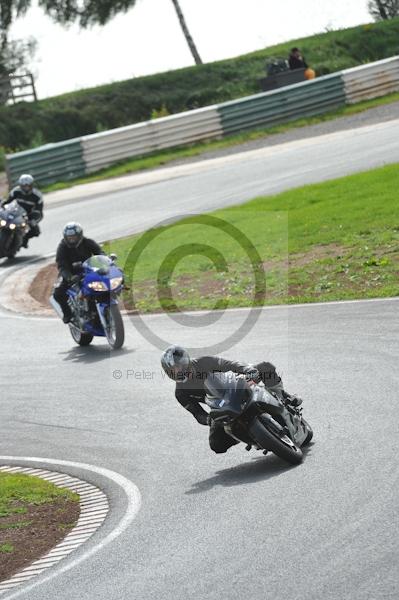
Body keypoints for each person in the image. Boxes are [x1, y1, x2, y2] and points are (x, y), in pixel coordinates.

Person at [161, 345, 302, 454]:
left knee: (265, 367)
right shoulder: (180, 393)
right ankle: (249, 435)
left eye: (179, 366)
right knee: (216, 445)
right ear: (169, 373)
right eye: (173, 370)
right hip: (220, 408)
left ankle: (283, 396)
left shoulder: (204, 362)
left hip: (234, 387)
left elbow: (229, 364)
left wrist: (247, 369)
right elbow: (197, 414)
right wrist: (208, 420)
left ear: (186, 361)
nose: (178, 371)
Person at [53, 222, 104, 323]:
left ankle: (97, 308)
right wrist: (69, 277)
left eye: (74, 237)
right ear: (65, 237)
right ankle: (67, 313)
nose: (72, 239)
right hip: (71, 273)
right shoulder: (62, 247)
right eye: (69, 237)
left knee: (102, 286)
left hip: (89, 271)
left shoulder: (88, 242)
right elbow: (61, 265)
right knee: (58, 293)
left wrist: (104, 263)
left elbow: (100, 253)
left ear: (79, 235)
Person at [1, 174, 43, 248]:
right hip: (14, 212)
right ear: (20, 185)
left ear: (31, 185)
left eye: (28, 186)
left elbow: (39, 211)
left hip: (27, 215)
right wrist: (2, 204)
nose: (26, 188)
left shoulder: (37, 196)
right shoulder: (16, 191)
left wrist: (33, 219)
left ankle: (24, 240)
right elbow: (8, 201)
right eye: (23, 186)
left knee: (36, 231)